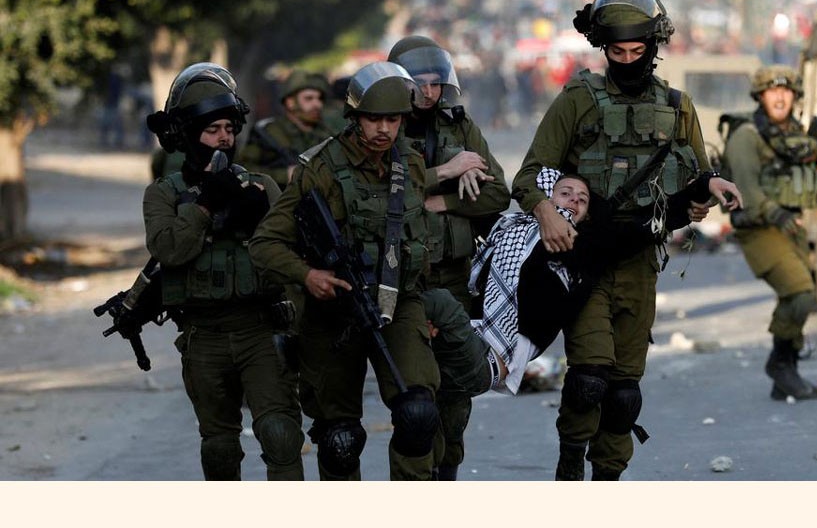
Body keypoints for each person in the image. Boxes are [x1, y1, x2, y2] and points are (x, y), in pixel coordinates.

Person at [511, 0, 740, 481]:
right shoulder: (579, 99)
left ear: (653, 48)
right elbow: (530, 175)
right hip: (585, 260)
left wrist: (708, 192)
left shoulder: (677, 105)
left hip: (640, 259)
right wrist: (545, 211)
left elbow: (698, 176)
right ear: (604, 48)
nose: (630, 59)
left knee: (623, 392)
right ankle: (571, 458)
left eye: (639, 50)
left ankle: (608, 478)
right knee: (589, 378)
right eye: (619, 51)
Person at [424, 168, 740, 472]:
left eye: (583, 198)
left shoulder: (587, 244)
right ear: (547, 199)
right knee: (436, 416)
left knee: (435, 304)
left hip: (491, 360)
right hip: (463, 336)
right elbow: (486, 199)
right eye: (565, 193)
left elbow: (652, 221)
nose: (574, 199)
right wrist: (452, 182)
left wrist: (705, 185)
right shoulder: (508, 228)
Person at [248, 61, 441, 481]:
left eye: (393, 120)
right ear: (355, 117)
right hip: (333, 308)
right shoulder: (321, 168)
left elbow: (417, 239)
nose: (384, 130)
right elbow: (265, 243)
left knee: (418, 414)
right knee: (340, 439)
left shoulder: (409, 162)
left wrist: (426, 307)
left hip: (397, 302)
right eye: (374, 119)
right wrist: (307, 276)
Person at [143, 62, 304, 480]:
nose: (224, 139)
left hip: (259, 330)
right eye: (212, 130)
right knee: (219, 447)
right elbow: (168, 249)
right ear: (188, 135)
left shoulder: (260, 187)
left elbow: (291, 257)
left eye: (229, 129)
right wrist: (206, 207)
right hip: (204, 336)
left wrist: (258, 216)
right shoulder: (164, 194)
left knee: (282, 434)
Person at [386, 35, 511, 480]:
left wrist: (444, 203)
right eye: (419, 83)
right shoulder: (383, 127)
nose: (429, 92)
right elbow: (379, 192)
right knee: (417, 405)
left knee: (456, 397)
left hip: (455, 276)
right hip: (399, 281)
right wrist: (447, 173)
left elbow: (497, 191)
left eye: (436, 83)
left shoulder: (458, 127)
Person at [723, 65, 817, 401]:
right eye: (772, 91)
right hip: (759, 229)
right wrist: (775, 213)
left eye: (787, 91)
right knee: (801, 292)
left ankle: (785, 373)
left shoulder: (794, 138)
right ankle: (779, 364)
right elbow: (746, 189)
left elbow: (809, 194)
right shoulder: (746, 135)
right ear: (760, 96)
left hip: (791, 225)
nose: (780, 96)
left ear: (795, 97)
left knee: (796, 297)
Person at [237, 69, 334, 189]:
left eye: (319, 98)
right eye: (309, 98)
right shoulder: (269, 133)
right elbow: (243, 169)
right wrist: (284, 175)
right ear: (291, 102)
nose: (317, 104)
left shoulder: (326, 134)